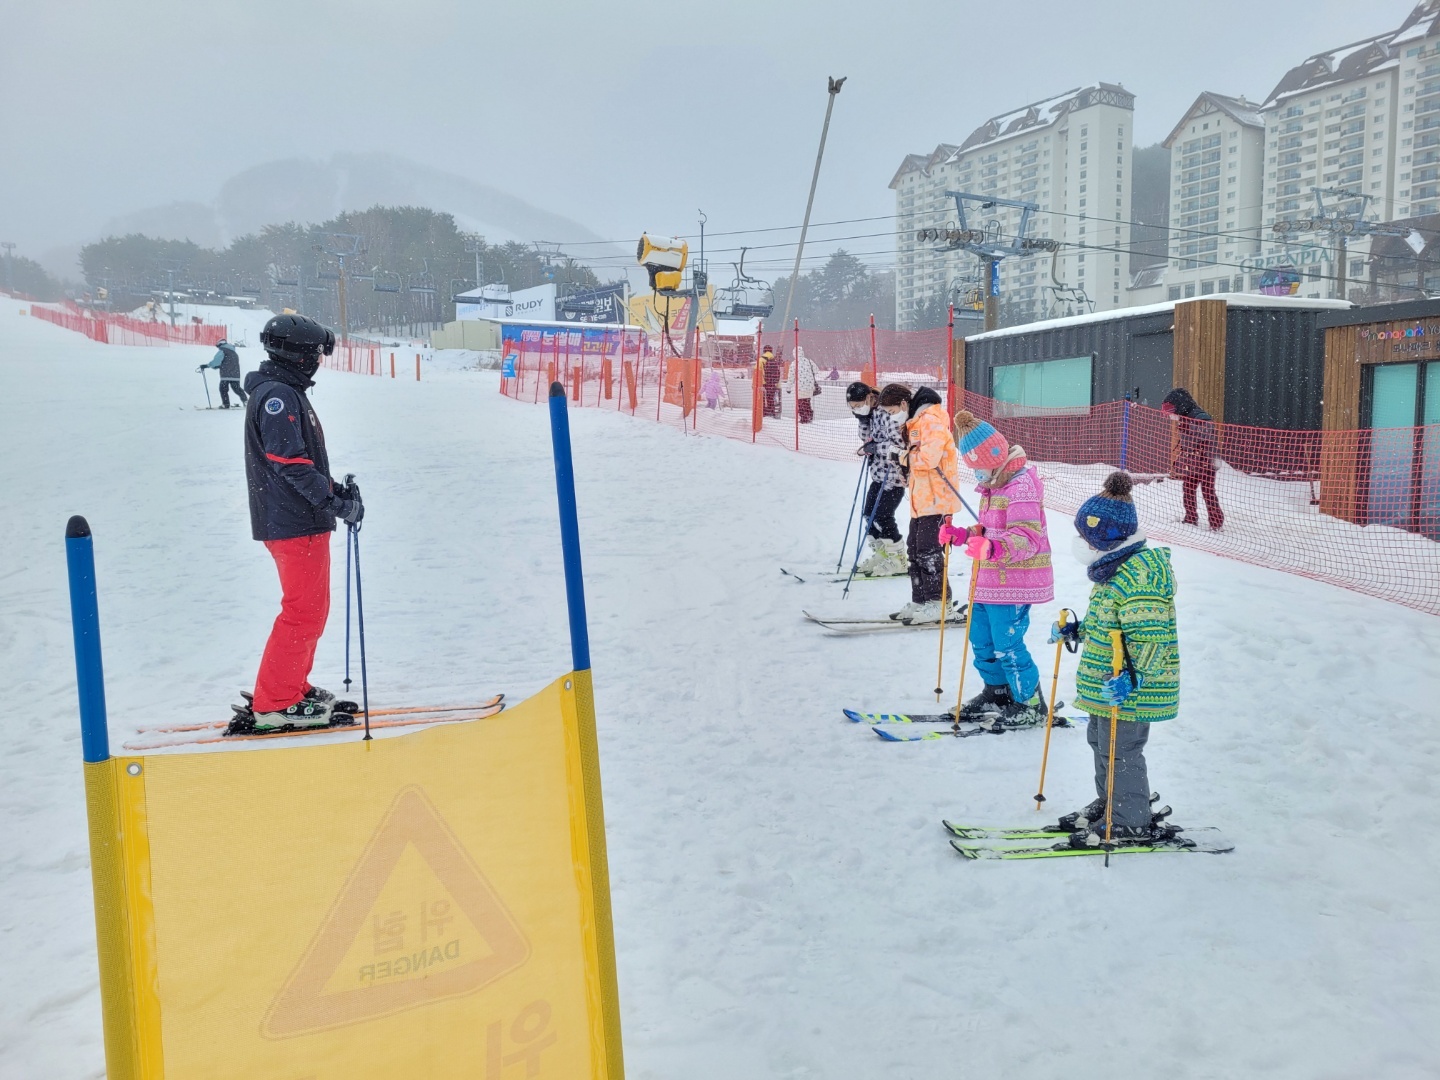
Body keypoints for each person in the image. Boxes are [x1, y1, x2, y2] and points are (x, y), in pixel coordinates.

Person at [242, 314, 364, 733]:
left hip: (298, 519)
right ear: (298, 355)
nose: (318, 361)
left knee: (312, 610)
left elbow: (300, 462)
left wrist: (338, 494)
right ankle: (276, 702)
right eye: (315, 353)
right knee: (303, 613)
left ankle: (291, 685)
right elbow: (290, 464)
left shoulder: (284, 390)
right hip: (293, 522)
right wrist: (334, 503)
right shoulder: (278, 396)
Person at [1048, 471, 1181, 846]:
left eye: (1086, 538)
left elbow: (1152, 640)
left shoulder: (1138, 577)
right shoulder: (1114, 571)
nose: (1080, 545)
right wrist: (1078, 631)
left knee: (1121, 750)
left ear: (1107, 539)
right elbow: (1107, 624)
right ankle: (1113, 802)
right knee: (1101, 742)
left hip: (1131, 690)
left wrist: (1134, 678)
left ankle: (1129, 819)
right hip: (1109, 685)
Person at [942, 411, 1054, 725]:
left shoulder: (1021, 487)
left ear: (995, 458)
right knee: (982, 640)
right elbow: (990, 530)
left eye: (978, 467)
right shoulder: (993, 485)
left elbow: (1027, 537)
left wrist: (992, 548)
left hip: (1014, 582)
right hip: (988, 581)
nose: (976, 474)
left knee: (1007, 644)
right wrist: (963, 535)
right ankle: (998, 691)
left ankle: (1030, 702)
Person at [891, 386, 963, 623]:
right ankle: (921, 600)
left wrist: (902, 456)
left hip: (938, 500)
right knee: (914, 550)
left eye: (892, 411)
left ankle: (939, 603)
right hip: (922, 501)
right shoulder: (916, 423)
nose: (892, 416)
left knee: (928, 552)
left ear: (904, 404)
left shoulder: (930, 420)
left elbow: (929, 459)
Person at [847, 382, 909, 576]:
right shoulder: (871, 413)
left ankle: (898, 559)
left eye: (859, 405)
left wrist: (875, 448)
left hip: (893, 477)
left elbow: (898, 444)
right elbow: (865, 438)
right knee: (869, 515)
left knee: (883, 516)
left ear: (868, 397)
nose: (857, 409)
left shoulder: (886, 412)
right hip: (878, 474)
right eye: (853, 408)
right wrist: (863, 419)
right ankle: (882, 554)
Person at [1162, 387, 1224, 530]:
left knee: (1207, 491)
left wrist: (1199, 456)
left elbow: (1205, 441)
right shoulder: (1184, 416)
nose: (1171, 417)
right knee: (1188, 488)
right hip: (1193, 462)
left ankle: (1216, 522)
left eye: (1171, 412)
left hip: (1206, 462)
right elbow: (1188, 444)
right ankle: (1190, 518)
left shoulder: (1201, 417)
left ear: (1179, 406)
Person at [200, 339, 248, 408]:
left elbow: (216, 361)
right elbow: (227, 363)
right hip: (235, 374)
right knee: (237, 388)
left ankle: (226, 404)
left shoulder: (223, 350)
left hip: (226, 374)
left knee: (223, 389)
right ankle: (246, 401)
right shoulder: (233, 352)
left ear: (220, 344)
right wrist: (217, 366)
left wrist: (207, 365)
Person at [794, 346, 821, 425]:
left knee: (800, 403)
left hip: (800, 387)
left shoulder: (794, 363)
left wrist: (788, 387)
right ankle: (809, 416)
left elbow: (791, 376)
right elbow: (816, 370)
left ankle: (804, 418)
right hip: (809, 386)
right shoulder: (809, 361)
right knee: (807, 402)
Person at [760, 345, 782, 419]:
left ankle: (764, 413)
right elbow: (778, 373)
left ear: (764, 351)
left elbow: (759, 372)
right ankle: (771, 412)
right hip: (773, 383)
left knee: (762, 399)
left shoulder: (761, 360)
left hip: (764, 383)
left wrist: (762, 383)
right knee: (771, 398)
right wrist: (777, 384)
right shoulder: (774, 360)